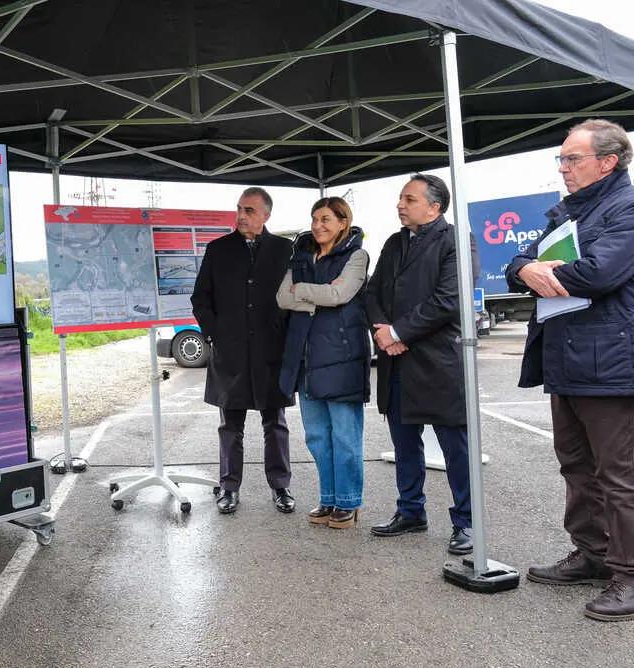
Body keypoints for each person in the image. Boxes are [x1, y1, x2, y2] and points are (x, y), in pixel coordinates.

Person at [506, 118, 634, 622]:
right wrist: (526, 269)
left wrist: (540, 271)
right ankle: (592, 554)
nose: (563, 168)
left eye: (571, 159)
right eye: (561, 159)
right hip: (567, 359)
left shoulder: (625, 208)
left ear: (608, 162)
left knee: (618, 476)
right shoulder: (566, 213)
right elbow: (520, 261)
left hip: (610, 363)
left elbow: (600, 272)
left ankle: (628, 573)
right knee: (577, 466)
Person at [365, 173, 479, 555]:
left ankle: (466, 522)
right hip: (397, 362)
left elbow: (449, 300)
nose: (400, 204)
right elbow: (373, 291)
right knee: (404, 443)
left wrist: (397, 333)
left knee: (455, 448)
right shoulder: (394, 242)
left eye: (409, 199)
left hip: (438, 362)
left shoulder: (456, 240)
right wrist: (382, 331)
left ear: (434, 206)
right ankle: (410, 510)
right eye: (400, 198)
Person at [191, 187, 295, 514]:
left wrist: (285, 334)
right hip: (231, 353)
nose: (241, 216)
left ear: (266, 215)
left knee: (275, 423)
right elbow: (200, 299)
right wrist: (215, 334)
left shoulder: (284, 250)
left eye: (249, 210)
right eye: (239, 209)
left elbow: (295, 297)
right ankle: (229, 486)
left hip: (270, 353)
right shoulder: (218, 249)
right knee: (230, 426)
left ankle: (281, 487)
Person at [277, 197, 370, 528]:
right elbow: (282, 298)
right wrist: (314, 294)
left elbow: (340, 295)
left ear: (343, 223)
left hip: (341, 357)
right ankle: (329, 498)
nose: (318, 225)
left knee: (345, 437)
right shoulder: (301, 256)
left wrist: (302, 291)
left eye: (326, 219)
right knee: (317, 437)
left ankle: (348, 502)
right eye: (315, 218)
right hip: (305, 359)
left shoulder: (356, 256)